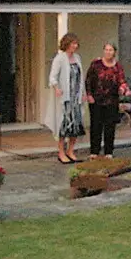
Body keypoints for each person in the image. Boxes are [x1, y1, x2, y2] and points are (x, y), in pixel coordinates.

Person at [84, 42, 130, 157]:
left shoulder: (118, 66)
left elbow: (122, 81)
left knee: (110, 127)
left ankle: (108, 152)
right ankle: (94, 151)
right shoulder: (96, 64)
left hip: (112, 100)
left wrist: (123, 88)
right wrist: (89, 95)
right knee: (96, 126)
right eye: (106, 49)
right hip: (96, 100)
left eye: (110, 50)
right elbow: (88, 80)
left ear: (114, 52)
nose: (108, 52)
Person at [49, 33, 86, 164]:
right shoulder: (59, 58)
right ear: (67, 44)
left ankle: (71, 150)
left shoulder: (77, 58)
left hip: (76, 97)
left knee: (76, 126)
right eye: (73, 43)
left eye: (76, 44)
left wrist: (83, 93)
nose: (75, 46)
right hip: (65, 99)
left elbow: (80, 77)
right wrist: (57, 88)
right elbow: (52, 77)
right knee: (63, 126)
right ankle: (61, 152)